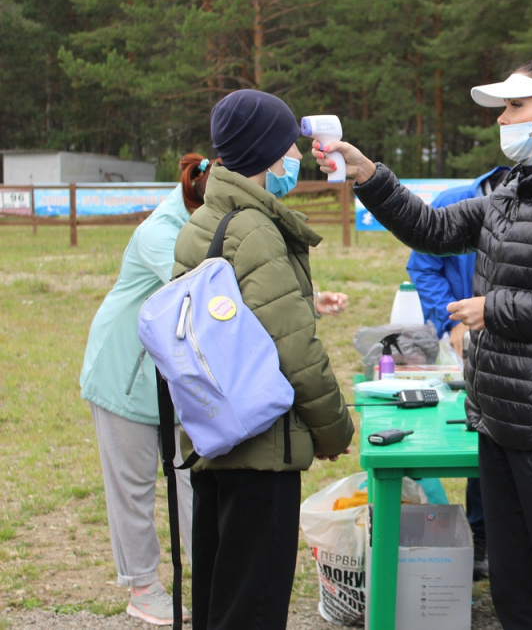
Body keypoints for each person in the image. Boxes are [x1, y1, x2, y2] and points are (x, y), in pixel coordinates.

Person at [315, 57, 532, 630]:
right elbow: (435, 230)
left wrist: (496, 309)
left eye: (516, 106)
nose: (503, 118)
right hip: (501, 419)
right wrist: (369, 174)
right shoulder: (516, 188)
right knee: (514, 587)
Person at [174, 89, 355, 630]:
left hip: (214, 436)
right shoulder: (255, 229)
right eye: (291, 148)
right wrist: (335, 431)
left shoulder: (205, 219)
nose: (296, 158)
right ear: (272, 156)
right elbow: (294, 348)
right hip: (261, 447)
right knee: (252, 604)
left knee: (219, 595)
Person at [79, 153, 211, 625]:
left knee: (190, 479)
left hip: (173, 378)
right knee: (133, 486)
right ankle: (142, 586)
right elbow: (198, 293)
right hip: (124, 373)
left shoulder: (207, 222)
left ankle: (207, 572)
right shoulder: (162, 232)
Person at [405, 165, 509, 581]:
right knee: (473, 432)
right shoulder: (454, 203)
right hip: (460, 342)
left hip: (519, 345)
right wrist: (450, 321)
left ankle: (494, 539)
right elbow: (423, 267)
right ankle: (477, 539)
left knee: (501, 435)